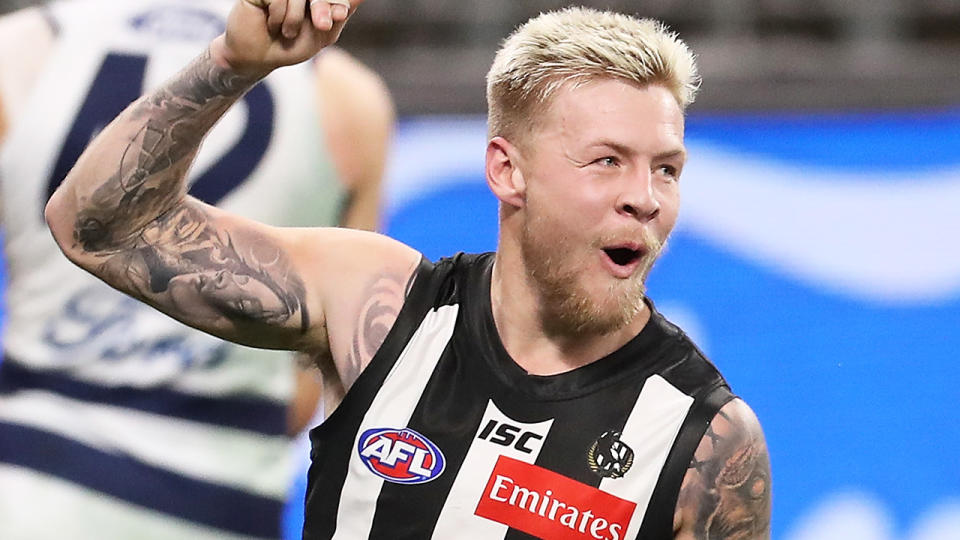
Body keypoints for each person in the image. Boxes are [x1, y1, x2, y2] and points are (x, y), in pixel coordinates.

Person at [46, 0, 773, 538]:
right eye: (607, 162)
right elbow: (100, 227)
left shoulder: (707, 440)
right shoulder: (382, 306)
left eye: (667, 169)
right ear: (507, 171)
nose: (644, 200)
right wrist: (233, 65)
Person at [0, 0, 394, 538]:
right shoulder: (350, 98)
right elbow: (324, 370)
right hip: (223, 493)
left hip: (29, 481)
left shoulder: (18, 47)